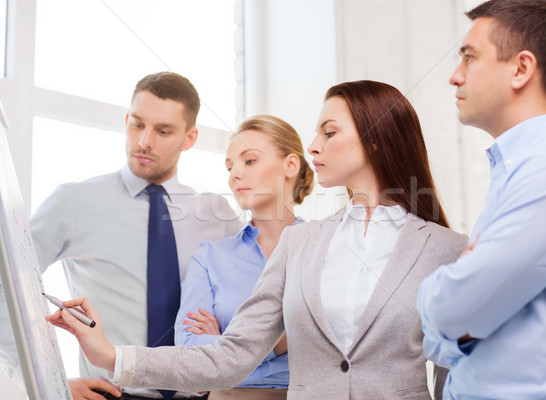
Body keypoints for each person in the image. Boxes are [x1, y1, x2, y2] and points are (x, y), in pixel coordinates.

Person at [47, 80, 468, 400]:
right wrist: (109, 356)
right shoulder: (301, 244)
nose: (313, 145)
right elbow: (230, 356)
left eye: (329, 132)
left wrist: (289, 339)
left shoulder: (447, 250)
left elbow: (457, 373)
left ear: (375, 139)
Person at [416, 1, 546, 399]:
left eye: (469, 58)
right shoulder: (517, 172)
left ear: (521, 69)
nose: (454, 76)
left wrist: (439, 298)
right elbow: (438, 341)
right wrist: (458, 308)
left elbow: (454, 310)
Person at [31, 72, 242, 400]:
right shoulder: (73, 202)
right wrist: (47, 378)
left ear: (189, 138)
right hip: (110, 394)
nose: (145, 141)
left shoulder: (218, 216)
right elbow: (9, 289)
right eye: (138, 124)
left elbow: (253, 307)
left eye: (163, 131)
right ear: (127, 119)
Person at [174, 115, 314, 399]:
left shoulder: (326, 248)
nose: (234, 174)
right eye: (229, 166)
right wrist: (282, 340)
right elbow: (191, 361)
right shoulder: (211, 257)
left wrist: (228, 348)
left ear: (290, 165)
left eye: (249, 161)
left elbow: (343, 347)